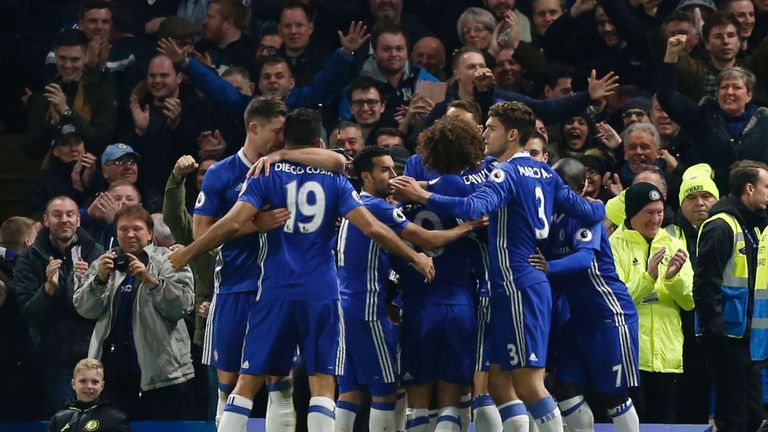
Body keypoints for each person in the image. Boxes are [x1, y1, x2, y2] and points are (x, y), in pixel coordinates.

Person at [168, 108, 434, 432]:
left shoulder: (264, 174)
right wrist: (415, 257)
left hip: (274, 292)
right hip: (321, 293)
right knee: (322, 385)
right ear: (318, 141)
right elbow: (374, 229)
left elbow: (232, 222)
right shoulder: (336, 181)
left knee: (247, 383)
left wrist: (188, 254)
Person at [391, 101, 605, 432]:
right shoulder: (544, 172)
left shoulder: (503, 173)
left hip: (519, 284)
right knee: (498, 383)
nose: (484, 133)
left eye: (491, 128)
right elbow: (590, 213)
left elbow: (475, 205)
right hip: (515, 286)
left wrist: (423, 197)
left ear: (513, 134)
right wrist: (599, 204)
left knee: (530, 384)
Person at [191, 98, 347, 427]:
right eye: (277, 132)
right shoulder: (222, 172)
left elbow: (337, 160)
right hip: (237, 285)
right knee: (229, 383)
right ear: (254, 128)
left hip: (276, 288)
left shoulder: (284, 168)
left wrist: (282, 154)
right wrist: (254, 224)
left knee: (281, 382)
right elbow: (201, 234)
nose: (281, 138)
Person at [336, 144, 482, 432]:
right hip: (368, 306)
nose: (392, 175)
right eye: (385, 170)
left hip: (345, 303)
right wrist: (468, 226)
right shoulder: (378, 208)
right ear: (365, 176)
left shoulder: (352, 206)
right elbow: (427, 239)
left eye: (395, 169)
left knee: (350, 389)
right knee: (386, 389)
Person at [528, 158, 640, 432]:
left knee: (614, 396)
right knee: (564, 387)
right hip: (577, 318)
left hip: (610, 314)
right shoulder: (547, 220)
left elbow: (583, 260)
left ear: (580, 188)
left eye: (561, 185)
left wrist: (548, 267)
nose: (552, 189)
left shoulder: (587, 213)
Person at [74, 205, 195, 420]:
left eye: (137, 229)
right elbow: (85, 310)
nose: (130, 234)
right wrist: (99, 281)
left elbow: (182, 307)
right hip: (115, 370)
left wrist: (152, 281)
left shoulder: (171, 259)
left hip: (163, 369)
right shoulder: (103, 264)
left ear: (150, 233)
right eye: (123, 229)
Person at [608, 183, 694, 423]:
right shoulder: (614, 246)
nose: (656, 219)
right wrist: (649, 278)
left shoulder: (674, 244)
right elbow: (615, 299)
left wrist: (673, 278)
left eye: (659, 212)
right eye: (649, 212)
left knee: (663, 424)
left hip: (667, 358)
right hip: (630, 357)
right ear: (633, 213)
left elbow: (689, 301)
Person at [694, 160, 768, 432]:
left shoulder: (752, 226)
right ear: (749, 188)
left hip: (747, 338)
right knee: (733, 420)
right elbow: (704, 283)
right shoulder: (721, 226)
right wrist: (716, 331)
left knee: (752, 417)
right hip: (727, 337)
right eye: (766, 187)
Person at [13, 196, 105, 414]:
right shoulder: (30, 258)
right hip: (55, 359)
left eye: (70, 214)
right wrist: (48, 290)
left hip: (93, 355)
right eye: (57, 215)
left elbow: (105, 307)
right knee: (67, 421)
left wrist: (90, 285)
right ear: (46, 220)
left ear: (78, 220)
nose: (64, 220)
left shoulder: (96, 252)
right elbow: (30, 315)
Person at [658, 35, 768, 195]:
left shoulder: (764, 123)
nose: (729, 92)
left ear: (749, 95)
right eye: (724, 87)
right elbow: (667, 98)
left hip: (758, 204)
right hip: (711, 202)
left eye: (736, 87)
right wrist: (671, 55)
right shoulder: (702, 117)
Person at [664, 164, 719, 423]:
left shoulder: (731, 229)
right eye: (691, 197)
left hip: (723, 326)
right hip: (683, 332)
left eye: (706, 196)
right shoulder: (668, 233)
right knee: (690, 406)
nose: (699, 203)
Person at [24, 29, 117, 160]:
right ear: (56, 55)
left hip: (90, 174)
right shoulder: (44, 95)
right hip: (50, 175)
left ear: (86, 56)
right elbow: (30, 150)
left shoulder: (103, 93)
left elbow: (100, 143)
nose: (67, 65)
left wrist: (66, 112)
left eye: (74, 59)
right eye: (62, 58)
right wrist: (51, 124)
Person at [27, 123, 98, 219]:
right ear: (55, 151)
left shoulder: (96, 175)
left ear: (84, 147)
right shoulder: (40, 181)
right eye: (66, 143)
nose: (73, 148)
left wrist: (88, 181)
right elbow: (36, 216)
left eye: (77, 142)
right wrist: (76, 188)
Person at [47, 359, 129, 432]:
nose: (89, 386)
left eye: (95, 382)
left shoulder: (114, 418)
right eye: (83, 381)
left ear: (102, 386)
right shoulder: (58, 419)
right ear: (73, 384)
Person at [195, 0, 257, 75]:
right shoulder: (200, 49)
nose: (204, 21)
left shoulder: (252, 53)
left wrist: (207, 70)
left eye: (210, 17)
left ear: (228, 23)